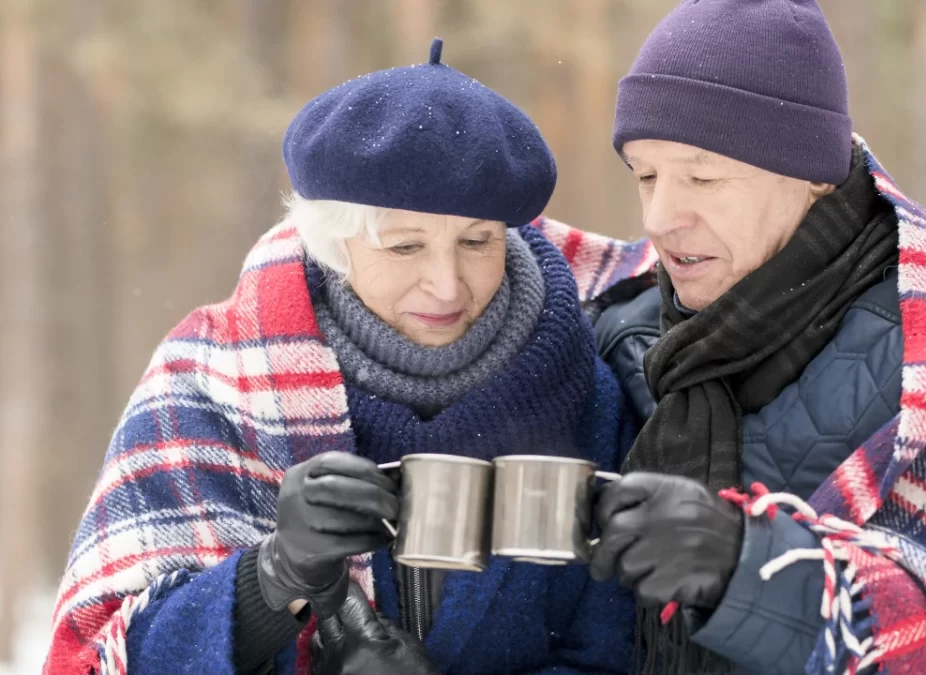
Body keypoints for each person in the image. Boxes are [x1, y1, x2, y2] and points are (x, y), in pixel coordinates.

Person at [43, 38, 638, 675]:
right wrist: (271, 577)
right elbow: (108, 659)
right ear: (334, 242)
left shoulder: (583, 378)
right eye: (405, 247)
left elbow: (622, 652)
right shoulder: (212, 380)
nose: (447, 284)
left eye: (476, 242)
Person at [578, 1, 926, 674]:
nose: (662, 215)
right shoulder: (623, 322)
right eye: (645, 175)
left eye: (702, 176)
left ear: (813, 175)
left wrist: (750, 567)